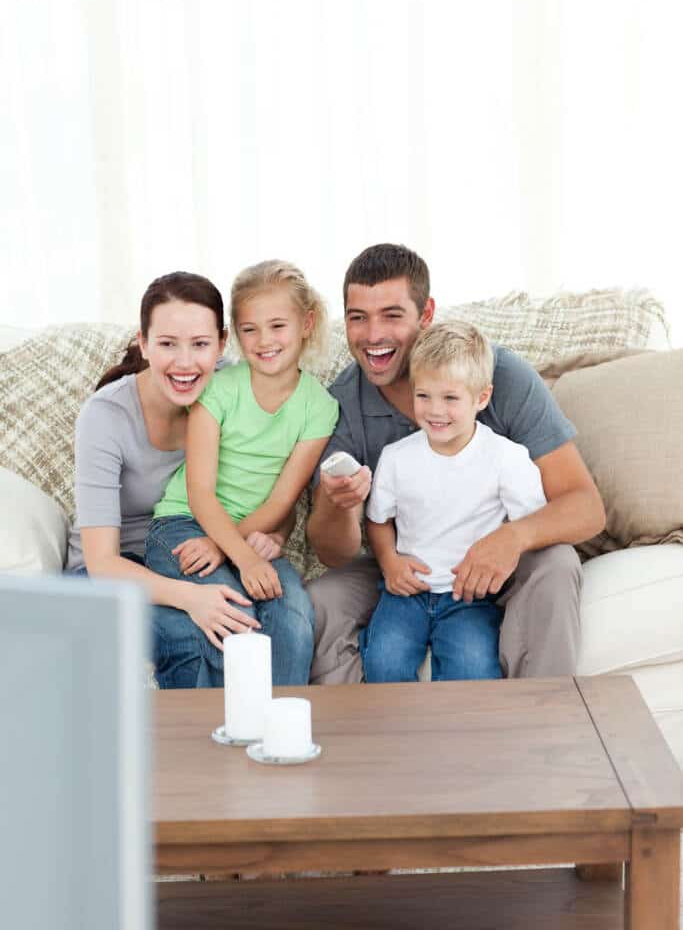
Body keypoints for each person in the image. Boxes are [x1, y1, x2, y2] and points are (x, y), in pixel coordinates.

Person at [306, 243, 606, 684]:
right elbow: (335, 552)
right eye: (357, 317)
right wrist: (339, 504)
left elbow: (586, 507)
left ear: (426, 313)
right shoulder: (345, 402)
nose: (372, 335)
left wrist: (511, 538)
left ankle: (543, 723)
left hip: (495, 556)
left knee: (557, 564)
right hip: (407, 562)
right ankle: (363, 738)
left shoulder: (496, 375)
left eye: (392, 315)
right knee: (320, 600)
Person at [66, 271, 273, 686]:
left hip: (191, 556)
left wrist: (270, 534)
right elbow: (101, 562)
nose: (184, 363)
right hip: (111, 571)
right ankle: (191, 748)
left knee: (256, 623)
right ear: (143, 343)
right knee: (191, 638)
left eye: (199, 344)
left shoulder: (235, 391)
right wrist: (192, 599)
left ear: (222, 343)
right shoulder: (106, 416)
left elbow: (272, 469)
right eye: (166, 344)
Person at [145, 259, 339, 687]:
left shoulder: (320, 408)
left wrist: (234, 548)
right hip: (182, 527)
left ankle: (280, 731)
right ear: (235, 334)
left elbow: (281, 501)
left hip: (248, 534)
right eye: (250, 329)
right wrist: (238, 553)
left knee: (292, 614)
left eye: (277, 326)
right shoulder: (218, 388)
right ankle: (222, 737)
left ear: (306, 323)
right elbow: (199, 491)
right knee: (234, 611)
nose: (264, 341)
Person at [361, 320, 547, 683]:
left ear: (481, 397)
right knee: (383, 662)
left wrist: (500, 560)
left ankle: (462, 739)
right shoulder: (397, 457)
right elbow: (378, 519)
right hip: (408, 591)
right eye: (424, 396)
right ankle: (399, 737)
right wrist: (389, 563)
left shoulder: (505, 458)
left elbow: (533, 522)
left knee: (474, 669)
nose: (435, 410)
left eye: (450, 398)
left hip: (470, 597)